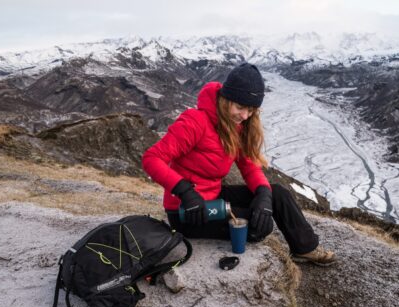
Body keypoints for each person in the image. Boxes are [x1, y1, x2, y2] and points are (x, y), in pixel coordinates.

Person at [142, 63, 336, 289]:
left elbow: (249, 166)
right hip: (189, 211)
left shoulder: (236, 126)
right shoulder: (195, 122)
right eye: (240, 107)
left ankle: (305, 248)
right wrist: (185, 191)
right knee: (259, 227)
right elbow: (151, 158)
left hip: (213, 196)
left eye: (251, 110)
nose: (244, 115)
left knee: (278, 194)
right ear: (226, 98)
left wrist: (263, 194)